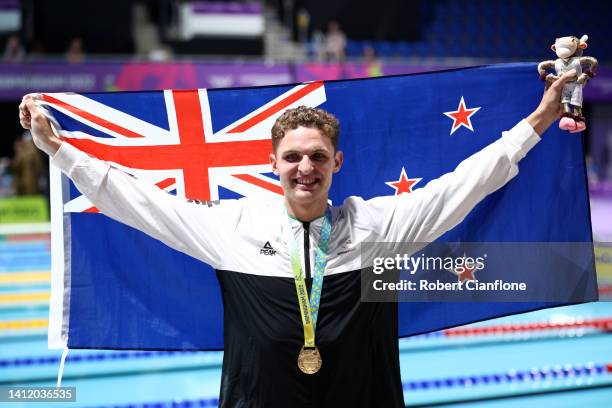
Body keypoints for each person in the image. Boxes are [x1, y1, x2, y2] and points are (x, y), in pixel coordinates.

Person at [19, 69, 577, 407]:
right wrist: (59, 149)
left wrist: (542, 117)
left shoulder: (375, 227)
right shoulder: (232, 228)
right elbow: (137, 202)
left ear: (337, 161)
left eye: (316, 157)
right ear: (273, 165)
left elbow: (465, 185)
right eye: (292, 157)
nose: (304, 168)